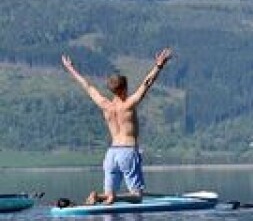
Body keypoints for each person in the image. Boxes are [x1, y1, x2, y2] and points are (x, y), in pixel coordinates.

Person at [61, 48, 173, 205]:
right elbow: (146, 84)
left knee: (107, 195)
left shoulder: (104, 105)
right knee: (137, 196)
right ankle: (115, 197)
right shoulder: (129, 104)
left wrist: (71, 68)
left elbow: (87, 86)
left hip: (111, 154)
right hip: (127, 151)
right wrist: (159, 66)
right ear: (125, 89)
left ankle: (99, 197)